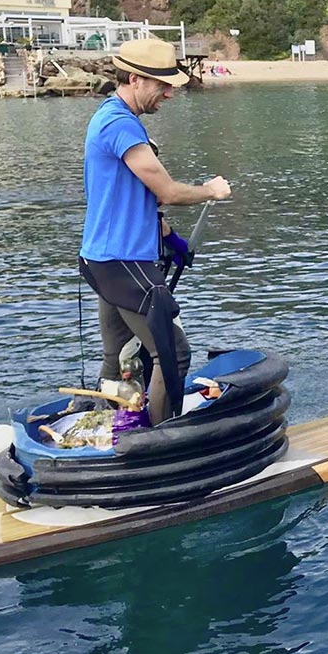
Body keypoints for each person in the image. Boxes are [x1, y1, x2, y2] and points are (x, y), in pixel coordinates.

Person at [78, 39, 232, 424]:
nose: (169, 93)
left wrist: (166, 236)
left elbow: (128, 197)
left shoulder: (111, 118)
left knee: (117, 354)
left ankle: (108, 427)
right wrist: (211, 191)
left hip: (102, 260)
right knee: (174, 352)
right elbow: (166, 190)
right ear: (134, 79)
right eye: (162, 85)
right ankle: (162, 442)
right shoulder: (120, 125)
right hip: (123, 262)